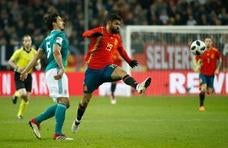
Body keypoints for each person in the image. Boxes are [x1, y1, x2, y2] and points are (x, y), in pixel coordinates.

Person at [71, 12, 151, 133]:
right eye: (116, 24)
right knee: (85, 100)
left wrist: (129, 61)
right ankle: (77, 120)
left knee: (121, 71)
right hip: (92, 72)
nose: (118, 26)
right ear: (109, 23)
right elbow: (85, 34)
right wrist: (93, 33)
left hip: (107, 68)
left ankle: (138, 86)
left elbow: (121, 50)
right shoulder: (100, 31)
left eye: (119, 24)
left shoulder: (117, 37)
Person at [20, 8, 73, 140]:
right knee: (63, 101)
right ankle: (58, 133)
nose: (63, 22)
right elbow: (56, 51)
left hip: (49, 71)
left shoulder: (47, 39)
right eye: (60, 19)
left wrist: (25, 71)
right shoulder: (59, 35)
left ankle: (36, 121)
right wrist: (61, 68)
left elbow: (36, 57)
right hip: (56, 70)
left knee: (65, 102)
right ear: (54, 23)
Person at [8, 35, 41, 119]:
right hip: (19, 74)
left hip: (29, 76)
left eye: (29, 40)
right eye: (26, 41)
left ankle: (19, 114)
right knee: (23, 93)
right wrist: (17, 68)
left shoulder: (34, 52)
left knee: (27, 99)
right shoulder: (18, 52)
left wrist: (38, 66)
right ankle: (16, 94)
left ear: (31, 42)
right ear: (23, 42)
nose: (28, 42)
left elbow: (37, 64)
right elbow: (10, 62)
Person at [194, 37, 222, 111]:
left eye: (209, 41)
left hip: (211, 74)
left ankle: (208, 89)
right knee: (203, 89)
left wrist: (218, 69)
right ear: (204, 42)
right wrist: (198, 66)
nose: (208, 42)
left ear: (212, 43)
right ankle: (201, 105)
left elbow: (220, 60)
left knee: (209, 91)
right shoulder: (201, 51)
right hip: (203, 73)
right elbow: (197, 60)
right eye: (206, 41)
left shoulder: (215, 51)